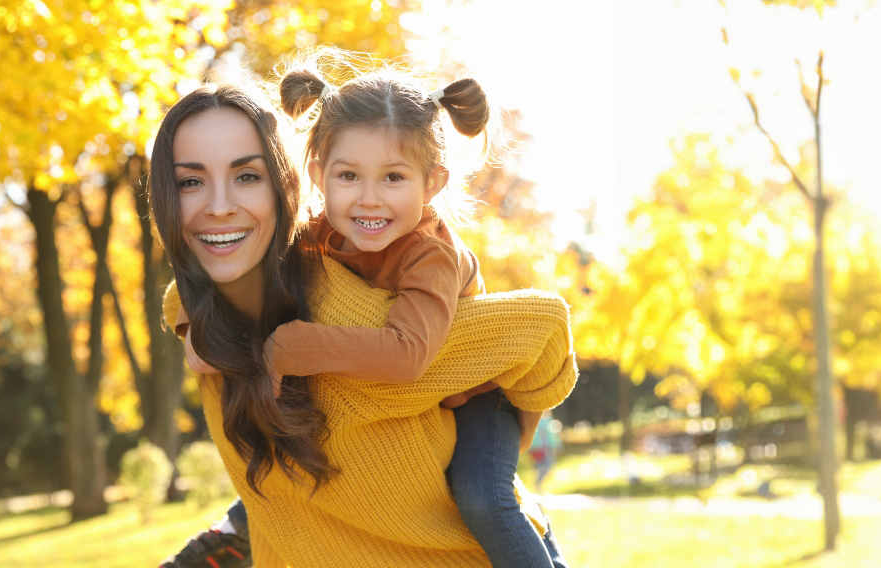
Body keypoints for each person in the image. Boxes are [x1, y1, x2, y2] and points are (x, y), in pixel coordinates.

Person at [150, 76, 574, 567]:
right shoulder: (317, 236)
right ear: (317, 175)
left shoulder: (428, 257)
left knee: (483, 498)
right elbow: (204, 282)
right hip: (341, 496)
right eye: (348, 176)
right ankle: (239, 524)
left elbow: (415, 352)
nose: (369, 199)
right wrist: (194, 323)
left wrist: (292, 347)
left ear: (431, 183)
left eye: (393, 178)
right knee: (290, 447)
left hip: (477, 403)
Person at [529, 410, 562, 495]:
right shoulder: (537, 422)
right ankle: (538, 487)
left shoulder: (549, 421)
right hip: (538, 449)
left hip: (548, 449)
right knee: (542, 468)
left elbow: (554, 435)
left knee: (549, 467)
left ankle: (539, 487)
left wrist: (558, 445)